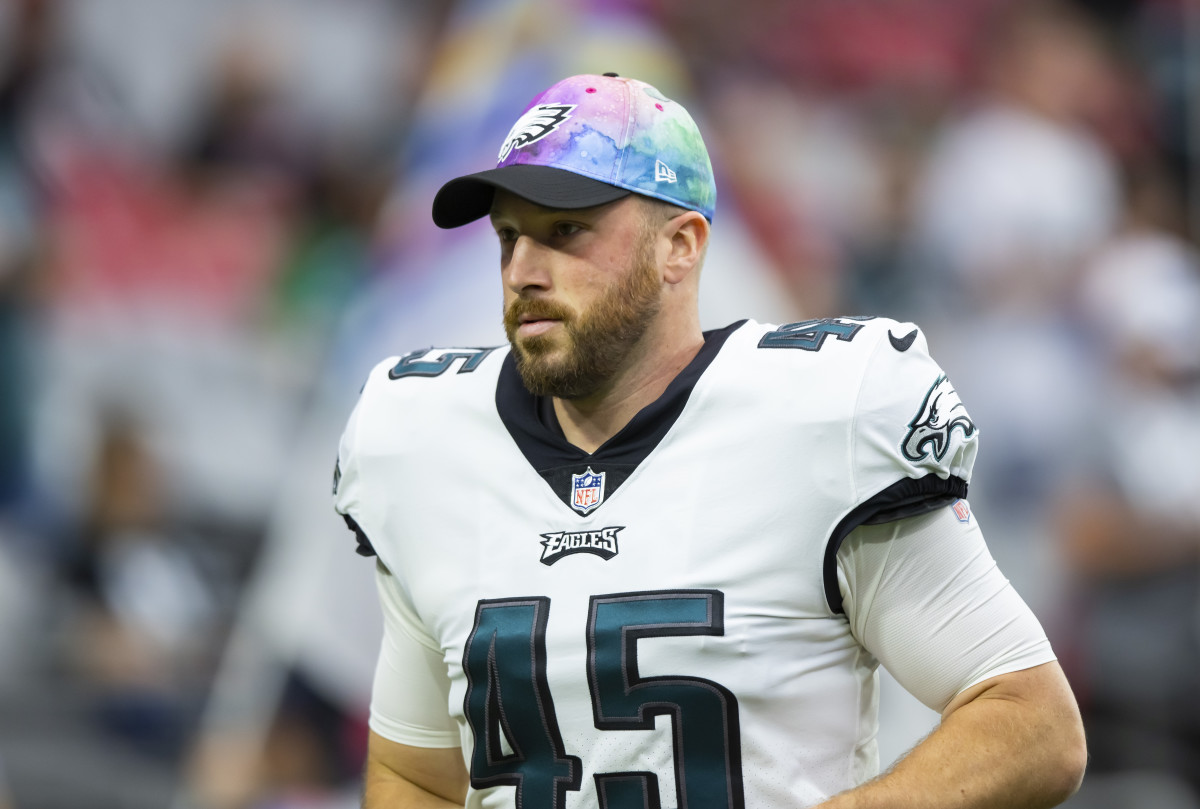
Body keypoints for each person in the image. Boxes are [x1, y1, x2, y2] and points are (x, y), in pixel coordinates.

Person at [333, 72, 1086, 809]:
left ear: (680, 246)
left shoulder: (819, 420)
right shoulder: (426, 439)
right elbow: (418, 775)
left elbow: (1032, 721)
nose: (524, 271)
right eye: (508, 237)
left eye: (565, 231)